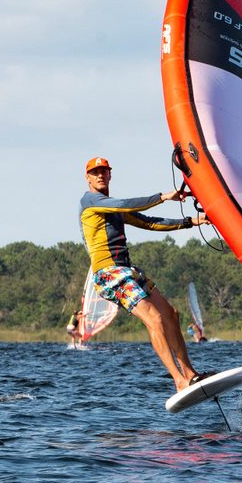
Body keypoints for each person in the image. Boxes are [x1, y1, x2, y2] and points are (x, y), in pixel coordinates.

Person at [78, 156, 208, 393]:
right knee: (154, 319)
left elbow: (150, 223)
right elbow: (126, 204)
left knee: (171, 314)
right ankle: (179, 381)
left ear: (110, 175)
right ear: (87, 177)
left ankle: (190, 374)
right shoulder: (91, 201)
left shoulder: (113, 207)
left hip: (127, 270)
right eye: (94, 172)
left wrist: (191, 221)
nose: (100, 175)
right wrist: (163, 196)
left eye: (103, 172)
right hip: (108, 273)